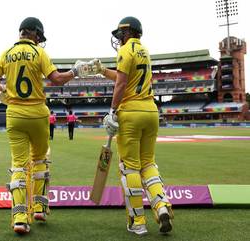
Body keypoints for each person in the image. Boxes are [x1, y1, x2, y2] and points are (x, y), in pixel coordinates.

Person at [0, 17, 87, 234]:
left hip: (14, 113)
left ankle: (20, 219)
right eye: (39, 36)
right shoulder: (40, 53)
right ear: (34, 33)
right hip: (38, 113)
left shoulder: (6, 53)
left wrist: (3, 92)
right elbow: (58, 80)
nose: (40, 40)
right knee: (40, 159)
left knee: (19, 166)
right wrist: (75, 72)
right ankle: (40, 207)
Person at [96, 16, 174, 235]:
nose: (119, 38)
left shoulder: (124, 50)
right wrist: (103, 70)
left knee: (129, 167)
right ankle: (161, 206)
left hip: (131, 112)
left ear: (127, 32)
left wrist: (112, 110)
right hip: (150, 111)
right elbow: (126, 77)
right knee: (148, 163)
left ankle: (137, 221)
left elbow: (121, 84)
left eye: (121, 34)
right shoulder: (144, 51)